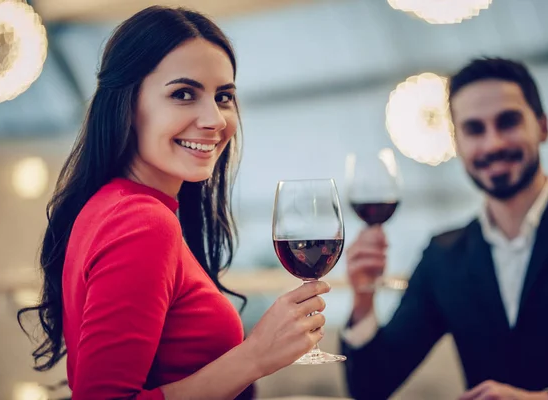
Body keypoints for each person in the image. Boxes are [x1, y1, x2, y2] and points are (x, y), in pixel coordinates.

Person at [17, 6, 330, 400]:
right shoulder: (142, 223)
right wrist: (254, 357)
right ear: (127, 104)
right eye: (183, 94)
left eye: (224, 96)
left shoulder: (113, 206)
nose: (214, 119)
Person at [341, 57, 548, 400]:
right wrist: (363, 300)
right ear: (457, 144)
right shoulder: (444, 255)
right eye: (474, 129)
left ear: (543, 126)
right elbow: (371, 386)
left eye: (508, 122)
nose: (492, 144)